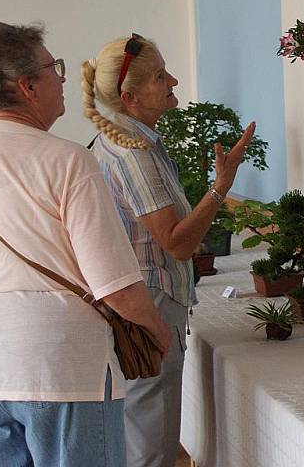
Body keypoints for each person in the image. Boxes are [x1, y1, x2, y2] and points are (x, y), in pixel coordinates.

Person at [0, 22, 172, 466]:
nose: (62, 78)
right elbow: (113, 283)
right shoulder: (68, 160)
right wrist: (158, 332)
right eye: (53, 68)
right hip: (60, 365)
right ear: (27, 87)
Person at [81, 34, 255, 467]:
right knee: (150, 442)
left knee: (141, 430)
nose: (173, 80)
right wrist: (221, 188)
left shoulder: (127, 142)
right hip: (150, 303)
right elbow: (177, 244)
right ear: (131, 96)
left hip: (139, 302)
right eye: (161, 76)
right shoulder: (132, 154)